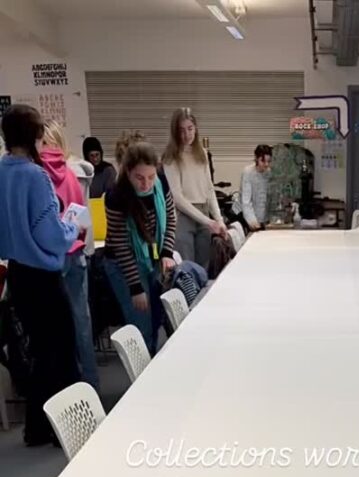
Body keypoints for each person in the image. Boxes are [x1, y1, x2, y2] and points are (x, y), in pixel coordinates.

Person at [0, 104, 80, 446]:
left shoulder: (2, 172)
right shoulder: (35, 176)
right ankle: (64, 423)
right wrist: (71, 228)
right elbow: (49, 232)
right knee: (60, 350)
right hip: (43, 275)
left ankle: (36, 425)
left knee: (37, 351)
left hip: (16, 273)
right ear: (35, 136)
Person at [40, 120, 99, 392]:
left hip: (51, 257)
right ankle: (92, 390)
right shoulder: (75, 173)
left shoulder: (36, 173)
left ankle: (71, 398)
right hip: (77, 253)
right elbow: (83, 217)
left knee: (56, 333)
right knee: (82, 326)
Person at [104, 141, 176, 354]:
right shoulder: (116, 195)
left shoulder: (161, 183)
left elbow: (171, 217)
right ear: (127, 172)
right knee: (141, 325)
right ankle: (142, 376)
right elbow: (120, 245)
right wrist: (135, 288)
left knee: (155, 320)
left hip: (149, 258)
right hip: (122, 264)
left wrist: (166, 252)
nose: (146, 184)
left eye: (151, 177)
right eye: (139, 178)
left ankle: (152, 364)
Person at [162, 108, 227, 270]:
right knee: (187, 269)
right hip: (183, 217)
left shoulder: (202, 154)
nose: (187, 134)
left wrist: (218, 220)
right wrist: (209, 221)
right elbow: (177, 197)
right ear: (175, 132)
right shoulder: (170, 157)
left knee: (203, 269)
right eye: (181, 130)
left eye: (190, 129)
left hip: (204, 213)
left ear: (196, 129)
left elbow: (209, 188)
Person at [240, 144, 272, 231]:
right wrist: (252, 221)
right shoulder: (248, 172)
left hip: (264, 219)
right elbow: (246, 201)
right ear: (256, 158)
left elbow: (268, 197)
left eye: (269, 161)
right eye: (263, 161)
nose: (266, 164)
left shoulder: (269, 172)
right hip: (250, 219)